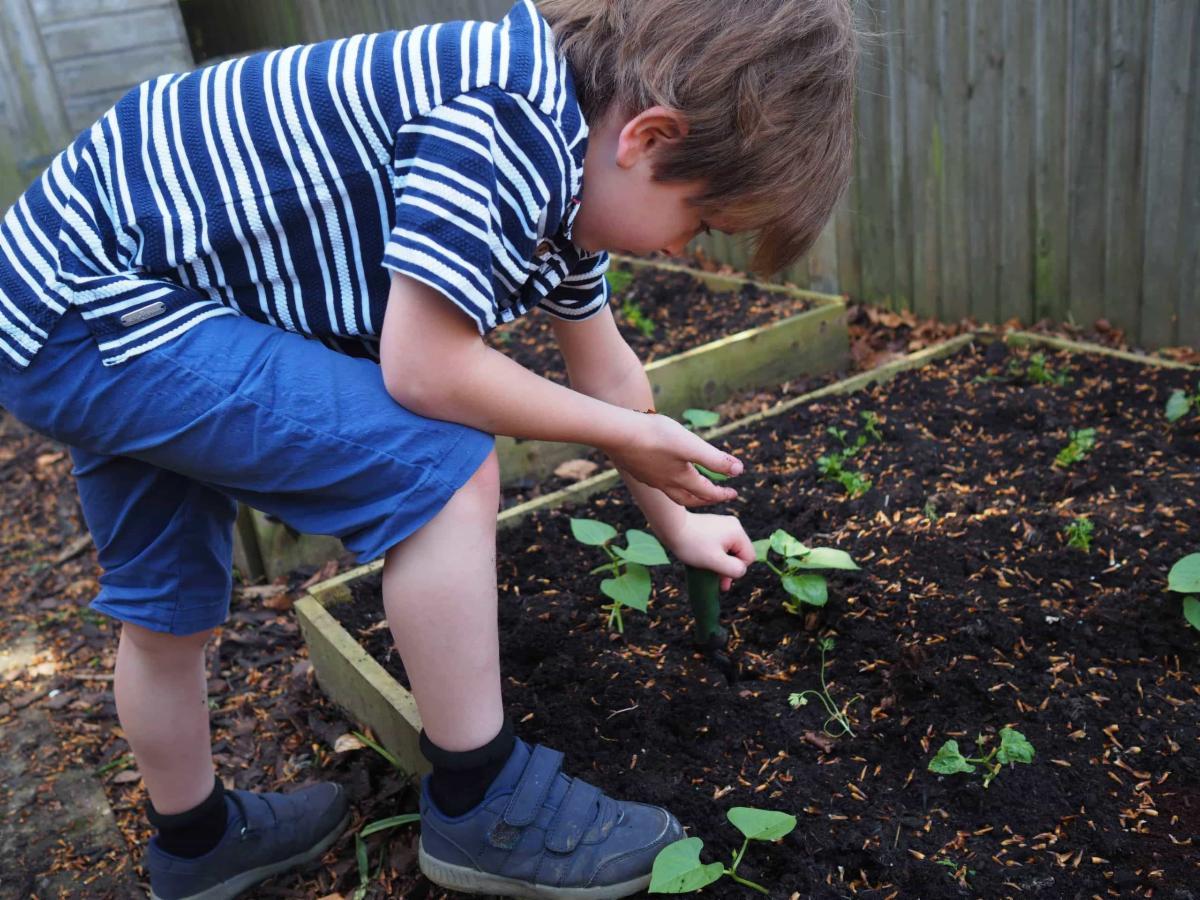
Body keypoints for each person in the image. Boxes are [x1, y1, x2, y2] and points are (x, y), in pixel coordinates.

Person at [0, 0, 857, 896]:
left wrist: (676, 519)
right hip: (104, 302)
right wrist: (623, 435)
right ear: (646, 139)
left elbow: (609, 377)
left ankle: (196, 840)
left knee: (168, 605)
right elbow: (427, 368)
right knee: (444, 467)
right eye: (700, 222)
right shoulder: (507, 117)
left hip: (73, 291)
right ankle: (482, 801)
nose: (685, 247)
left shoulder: (564, 156)